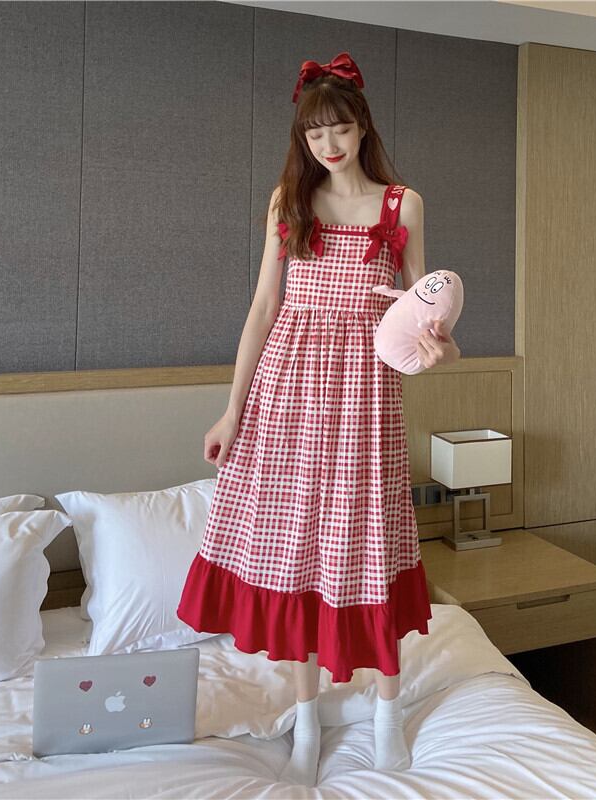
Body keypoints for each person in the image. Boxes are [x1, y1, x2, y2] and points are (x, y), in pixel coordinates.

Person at [176, 51, 461, 788]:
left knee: (370, 542)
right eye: (314, 134)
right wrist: (232, 410)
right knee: (294, 549)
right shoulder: (289, 202)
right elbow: (263, 308)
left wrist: (443, 348)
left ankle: (387, 713)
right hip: (288, 395)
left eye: (339, 129)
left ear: (363, 127)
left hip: (364, 398)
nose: (328, 145)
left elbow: (419, 313)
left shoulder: (402, 206)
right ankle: (306, 718)